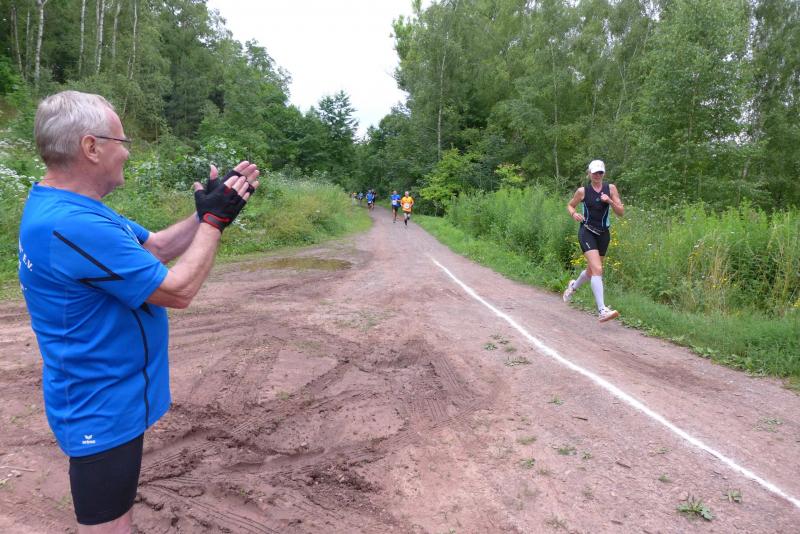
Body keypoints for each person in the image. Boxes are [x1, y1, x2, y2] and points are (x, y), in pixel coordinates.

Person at [17, 90, 260, 533]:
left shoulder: (76, 209)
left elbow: (157, 248)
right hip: (98, 404)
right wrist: (215, 223)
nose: (127, 152)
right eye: (122, 141)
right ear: (91, 147)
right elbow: (178, 290)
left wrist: (205, 212)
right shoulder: (71, 224)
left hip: (115, 395)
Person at [562, 159, 624, 322]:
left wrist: (609, 201)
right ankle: (602, 310)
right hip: (587, 232)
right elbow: (570, 205)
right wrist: (574, 214)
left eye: (600, 172)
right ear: (589, 173)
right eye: (594, 172)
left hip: (603, 234)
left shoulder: (611, 189)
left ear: (604, 173)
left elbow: (621, 212)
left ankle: (573, 287)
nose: (597, 175)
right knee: (598, 269)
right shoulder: (582, 191)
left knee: (591, 271)